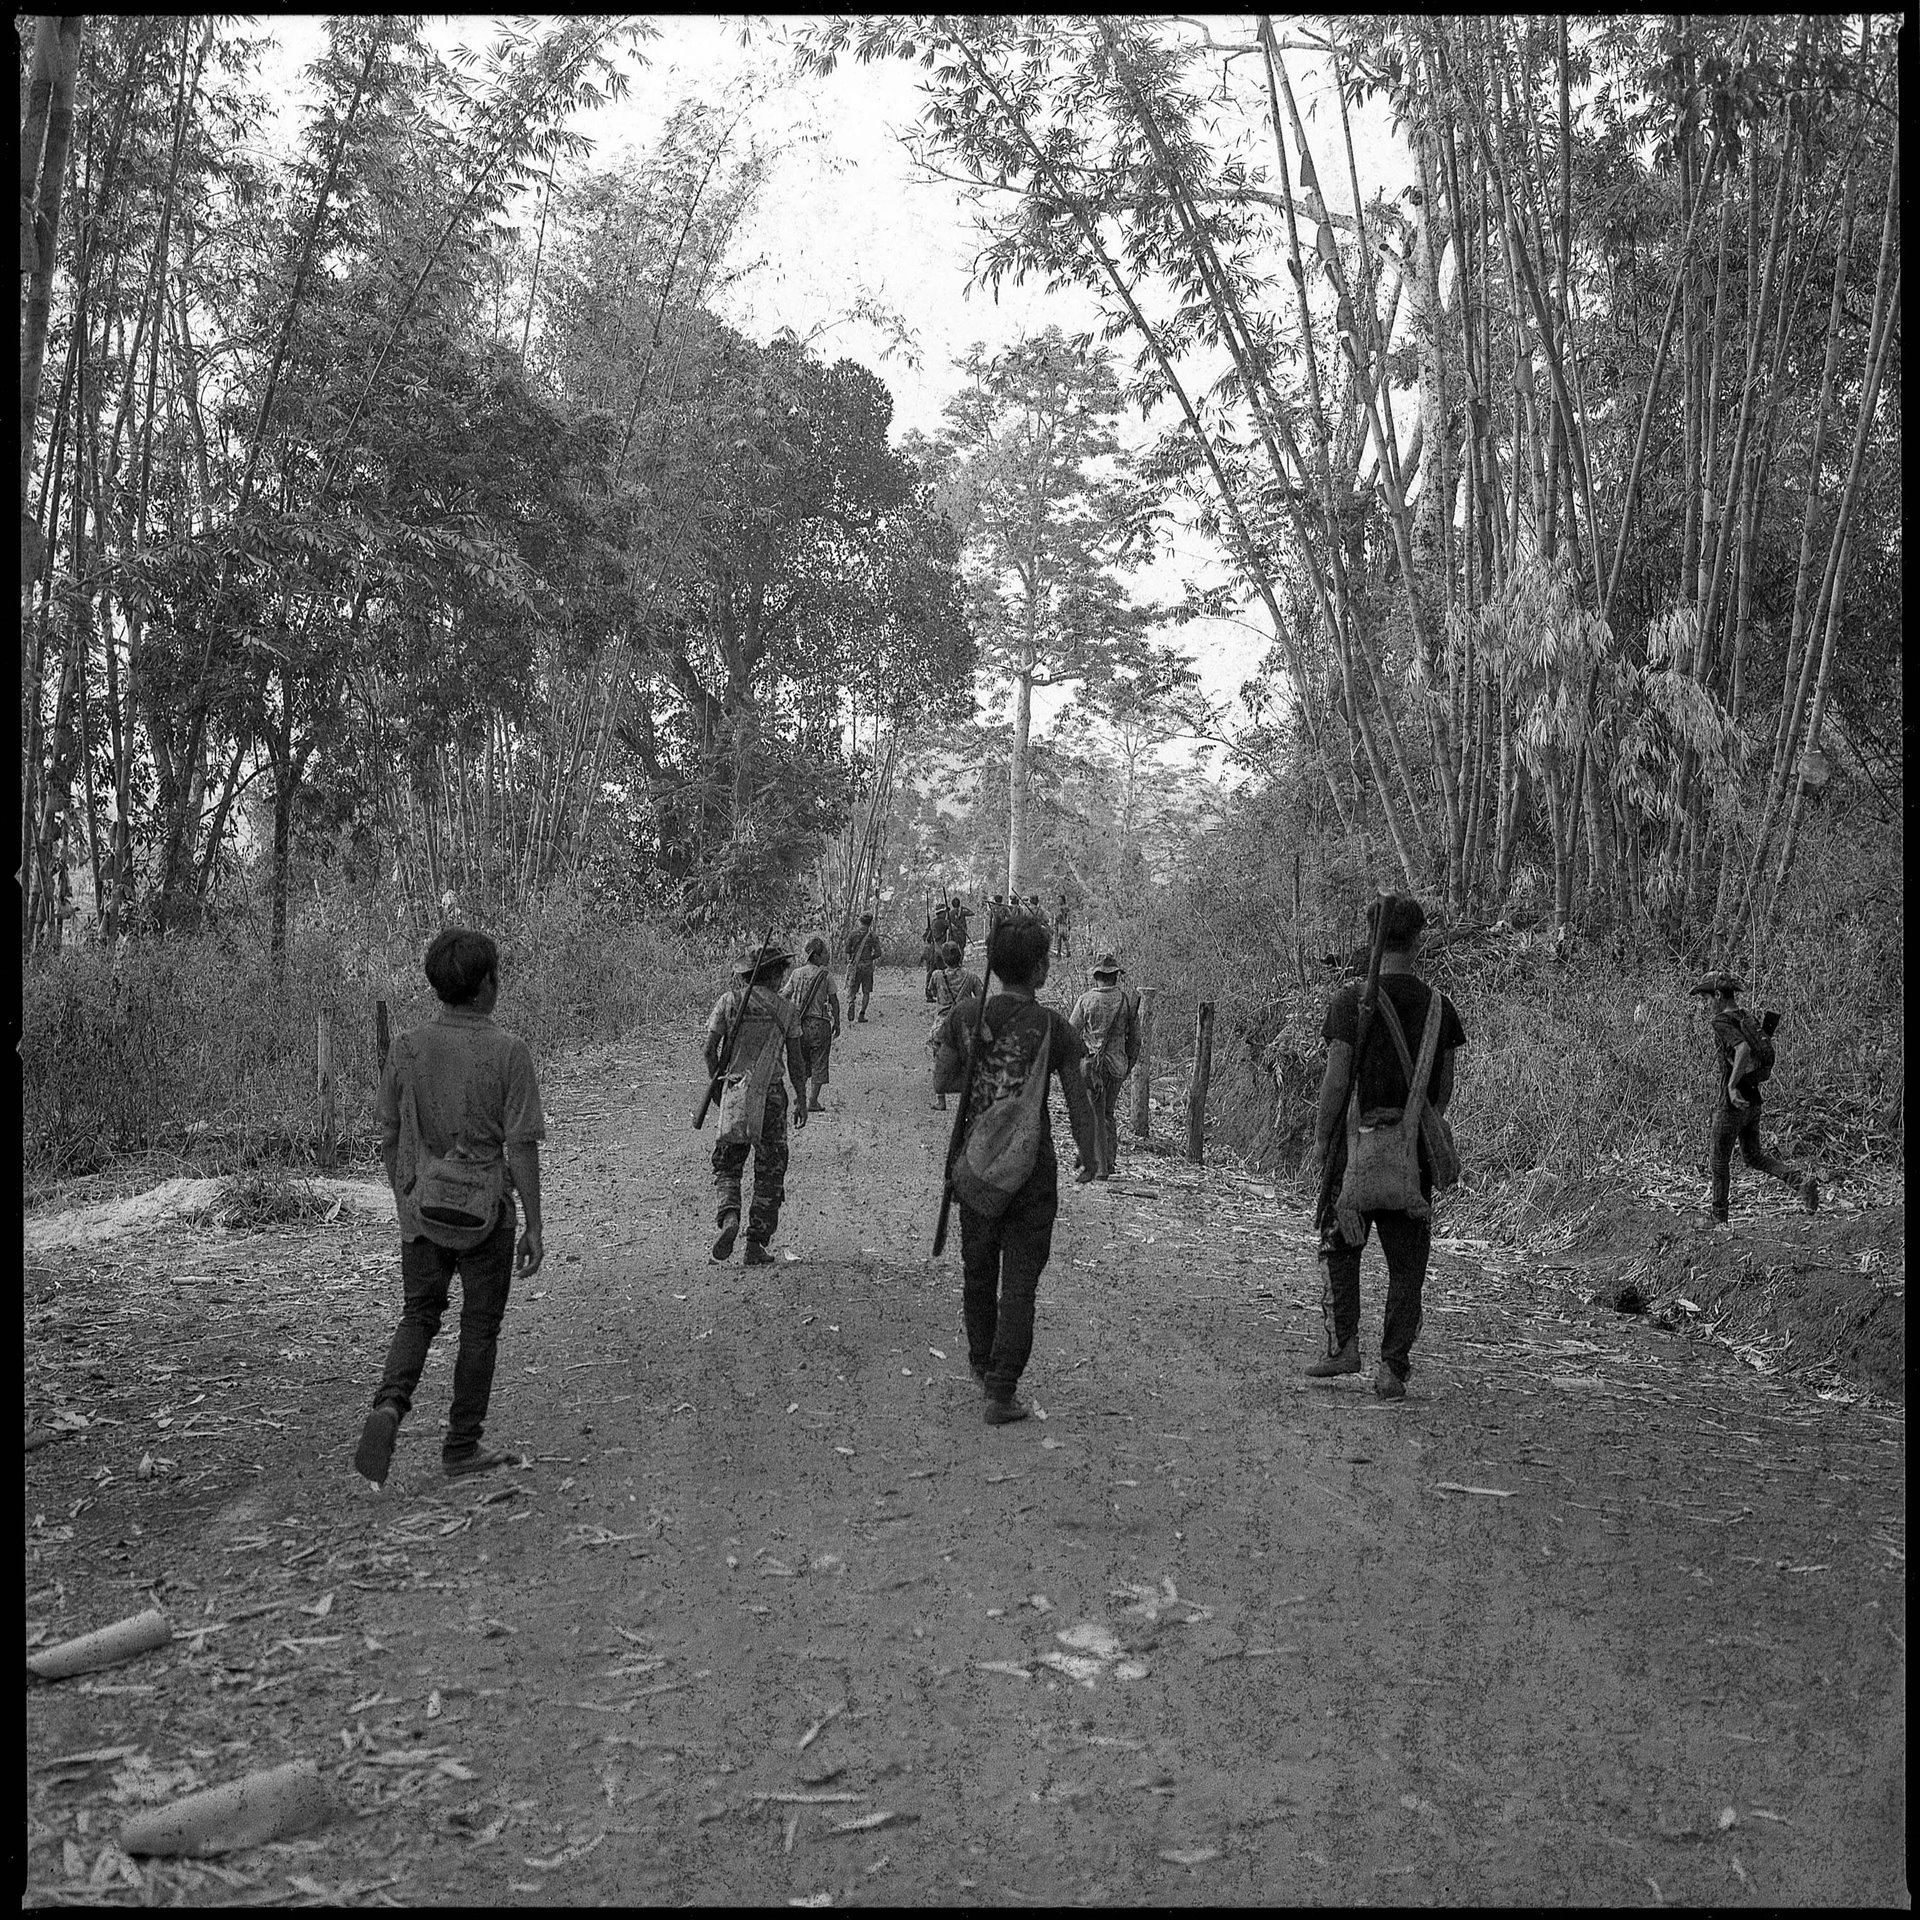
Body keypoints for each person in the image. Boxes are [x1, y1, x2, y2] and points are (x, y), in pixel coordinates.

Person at [355, 928, 546, 1487]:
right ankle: (461, 1446)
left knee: (419, 1315)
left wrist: (406, 1196)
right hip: (485, 1213)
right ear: (487, 985)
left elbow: (388, 1131)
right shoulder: (509, 1052)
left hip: (423, 1209)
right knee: (479, 1327)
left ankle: (390, 1405)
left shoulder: (407, 1048)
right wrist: (533, 1223)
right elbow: (521, 1145)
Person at [935, 916, 1100, 1425]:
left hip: (975, 1168)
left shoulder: (964, 1016)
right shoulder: (1054, 1027)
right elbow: (1078, 1100)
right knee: (1020, 1283)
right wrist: (1090, 1154)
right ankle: (1002, 1390)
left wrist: (985, 1070)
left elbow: (943, 1077)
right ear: (1039, 968)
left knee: (978, 1271)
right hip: (1032, 1170)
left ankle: (984, 1368)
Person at [1307, 895, 1465, 1401]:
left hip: (1352, 1152)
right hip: (1410, 1156)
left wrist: (1321, 1138)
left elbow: (1335, 1082)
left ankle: (1343, 1347)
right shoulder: (1440, 1009)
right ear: (1417, 941)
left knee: (1339, 1244)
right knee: (1407, 1266)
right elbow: (1442, 1091)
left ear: (1369, 939)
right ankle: (1392, 1369)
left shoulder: (1349, 1001)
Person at [705, 940, 810, 1266]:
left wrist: (717, 1088)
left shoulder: (728, 1002)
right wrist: (802, 1099)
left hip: (735, 1093)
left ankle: (729, 1217)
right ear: (777, 975)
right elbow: (796, 1060)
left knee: (728, 1164)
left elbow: (709, 1049)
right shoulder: (786, 1010)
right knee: (770, 1171)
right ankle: (755, 1244)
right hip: (772, 1097)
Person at [1690, 971, 1818, 1224]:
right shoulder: (1745, 1016)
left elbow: (1743, 1049)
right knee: (1753, 1156)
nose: (1704, 1005)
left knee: (1718, 1162)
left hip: (1733, 1105)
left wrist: (1731, 1086)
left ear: (1718, 996)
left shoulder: (1721, 1021)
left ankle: (1718, 1219)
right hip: (1753, 1103)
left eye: (1705, 999)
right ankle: (1799, 1182)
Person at [1070, 951, 1140, 1179]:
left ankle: (1099, 1167)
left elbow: (1072, 1033)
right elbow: (1136, 1040)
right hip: (1118, 1066)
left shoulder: (1086, 1000)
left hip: (1093, 1067)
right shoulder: (1127, 1001)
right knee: (1107, 1113)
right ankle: (1108, 1162)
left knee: (1094, 1114)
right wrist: (1128, 1064)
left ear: (1096, 976)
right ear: (1115, 977)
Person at [783, 935, 843, 1114]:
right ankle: (812, 1100)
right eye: (824, 952)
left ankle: (798, 1095)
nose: (827, 955)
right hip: (819, 1025)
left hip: (798, 1025)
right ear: (816, 956)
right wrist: (837, 1021)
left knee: (801, 1062)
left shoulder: (796, 973)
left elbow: (784, 995)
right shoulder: (825, 976)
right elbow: (834, 1001)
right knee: (819, 1061)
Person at [927, 940, 984, 1111]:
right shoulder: (972, 977)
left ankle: (941, 1099)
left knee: (939, 1058)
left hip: (943, 1022)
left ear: (944, 959)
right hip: (964, 1022)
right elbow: (980, 999)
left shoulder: (937, 976)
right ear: (960, 956)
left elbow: (931, 992)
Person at [845, 912, 880, 1022]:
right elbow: (878, 952)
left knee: (852, 989)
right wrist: (870, 958)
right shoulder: (873, 936)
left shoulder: (853, 934)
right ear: (870, 923)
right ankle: (862, 1014)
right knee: (866, 992)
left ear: (860, 921)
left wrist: (851, 961)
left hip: (856, 966)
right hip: (867, 967)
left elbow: (847, 950)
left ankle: (851, 1002)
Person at [923, 898, 953, 1001]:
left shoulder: (934, 922)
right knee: (943, 971)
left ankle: (930, 993)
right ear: (941, 913)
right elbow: (953, 927)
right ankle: (939, 992)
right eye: (945, 912)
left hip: (933, 950)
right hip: (937, 950)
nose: (946, 914)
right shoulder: (942, 922)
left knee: (932, 972)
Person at [1054, 895, 1072, 960]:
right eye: (1058, 899)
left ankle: (1066, 951)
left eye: (1060, 899)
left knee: (1063, 938)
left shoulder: (1064, 908)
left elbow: (1066, 917)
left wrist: (1068, 924)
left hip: (1063, 924)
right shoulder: (1061, 907)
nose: (1059, 901)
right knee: (1060, 939)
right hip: (1060, 924)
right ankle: (1060, 952)